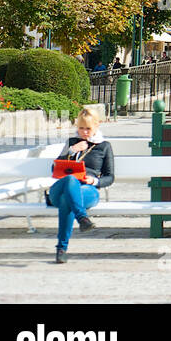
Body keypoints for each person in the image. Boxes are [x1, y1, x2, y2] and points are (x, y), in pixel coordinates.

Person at [48, 108, 114, 264]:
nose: (84, 132)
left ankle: (61, 250)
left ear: (97, 126)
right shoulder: (72, 143)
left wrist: (95, 181)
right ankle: (82, 218)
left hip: (88, 190)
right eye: (81, 128)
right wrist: (71, 151)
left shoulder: (104, 146)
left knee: (67, 200)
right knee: (70, 179)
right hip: (62, 186)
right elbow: (54, 169)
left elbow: (110, 177)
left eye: (88, 128)